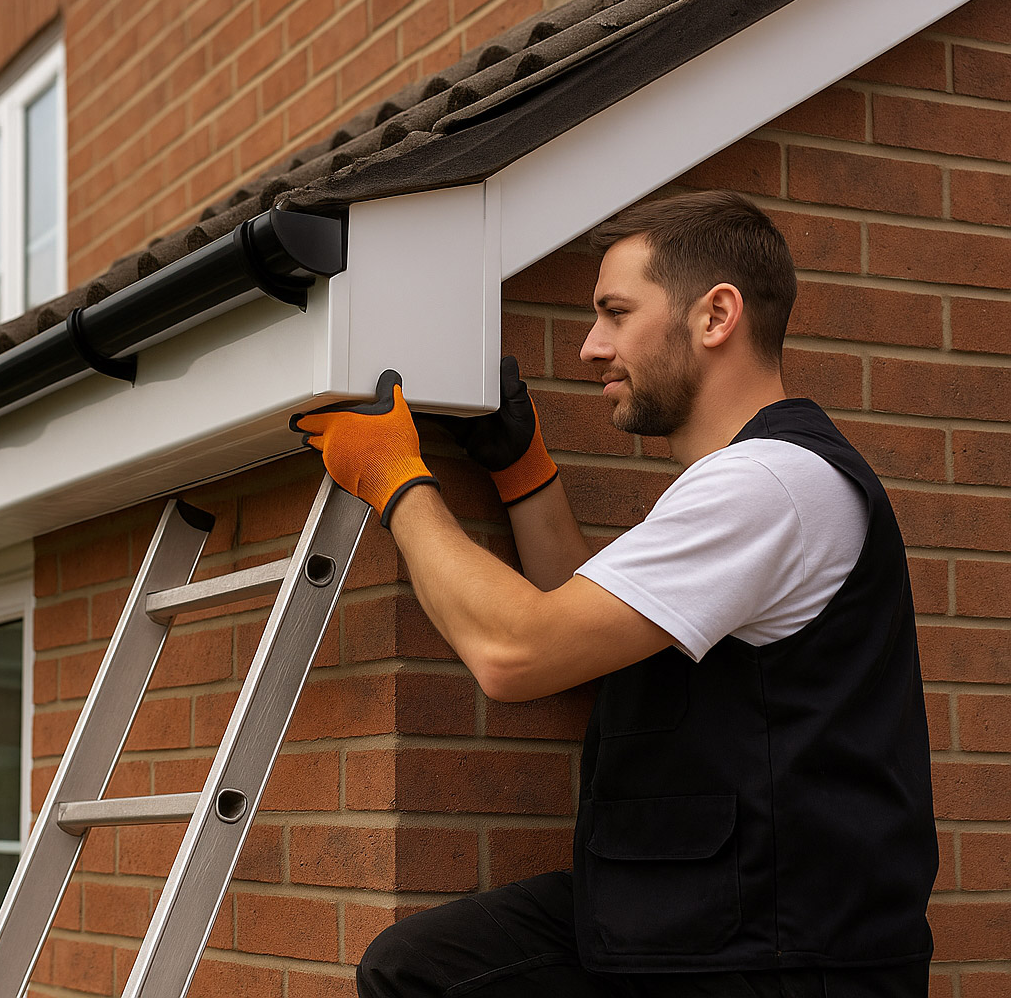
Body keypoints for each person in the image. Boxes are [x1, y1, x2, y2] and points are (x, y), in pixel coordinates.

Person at [290, 190, 936, 998]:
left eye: (616, 313)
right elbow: (590, 635)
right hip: (685, 919)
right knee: (422, 967)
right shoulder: (743, 484)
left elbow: (516, 651)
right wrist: (521, 471)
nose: (591, 348)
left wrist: (394, 479)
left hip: (781, 957)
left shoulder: (770, 484)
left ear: (716, 316)